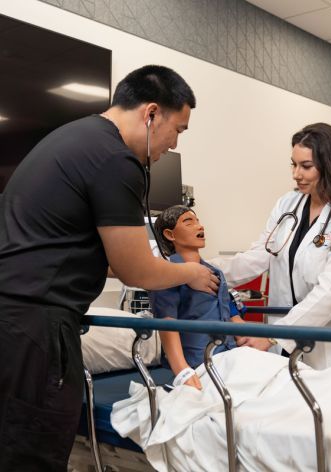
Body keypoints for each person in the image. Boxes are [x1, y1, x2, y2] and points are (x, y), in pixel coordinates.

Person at [0, 65, 219, 471]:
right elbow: (137, 271)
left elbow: (93, 252)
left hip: (15, 321)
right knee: (32, 453)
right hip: (34, 329)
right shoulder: (115, 159)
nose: (171, 145)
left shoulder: (74, 138)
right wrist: (189, 272)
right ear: (151, 114)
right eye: (178, 130)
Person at [211, 123, 331, 369]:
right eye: (293, 164)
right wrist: (207, 270)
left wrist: (274, 334)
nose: (296, 174)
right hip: (285, 340)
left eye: (306, 166)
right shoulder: (288, 204)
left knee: (328, 403)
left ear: (330, 167)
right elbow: (262, 254)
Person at [149, 205, 244, 390]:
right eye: (188, 222)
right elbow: (167, 325)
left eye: (198, 221)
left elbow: (231, 316)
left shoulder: (215, 272)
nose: (200, 226)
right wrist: (182, 370)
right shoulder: (166, 274)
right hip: (199, 362)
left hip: (231, 355)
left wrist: (259, 339)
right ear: (170, 235)